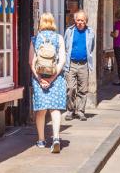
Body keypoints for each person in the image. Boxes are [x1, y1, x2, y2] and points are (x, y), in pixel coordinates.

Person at [30, 12, 67, 153]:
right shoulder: (59, 38)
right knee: (55, 109)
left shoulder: (35, 39)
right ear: (53, 23)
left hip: (39, 79)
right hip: (56, 78)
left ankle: (41, 140)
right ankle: (56, 138)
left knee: (41, 111)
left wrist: (40, 79)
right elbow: (62, 61)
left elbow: (31, 62)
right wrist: (51, 79)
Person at [63, 10, 95, 121]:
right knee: (71, 88)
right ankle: (70, 110)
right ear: (75, 21)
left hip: (84, 64)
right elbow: (65, 46)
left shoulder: (90, 32)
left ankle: (80, 111)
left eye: (82, 20)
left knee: (83, 89)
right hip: (71, 64)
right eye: (78, 20)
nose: (80, 22)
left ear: (86, 21)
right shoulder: (69, 31)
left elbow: (91, 47)